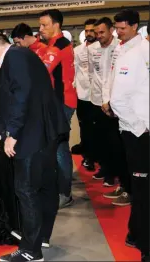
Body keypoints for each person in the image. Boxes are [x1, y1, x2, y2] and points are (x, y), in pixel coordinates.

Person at [0, 32, 69, 262]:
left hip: (32, 135)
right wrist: (0, 131)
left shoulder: (15, 58)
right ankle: (41, 237)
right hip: (43, 132)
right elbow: (17, 98)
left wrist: (12, 134)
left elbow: (22, 96)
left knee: (26, 190)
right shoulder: (22, 55)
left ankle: (31, 250)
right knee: (46, 187)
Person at [109, 9, 149, 261]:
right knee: (144, 191)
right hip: (138, 133)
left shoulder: (141, 51)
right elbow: (117, 100)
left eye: (122, 27)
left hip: (143, 130)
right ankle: (145, 245)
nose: (117, 32)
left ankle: (135, 233)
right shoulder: (130, 54)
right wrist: (138, 125)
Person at [88, 17, 130, 206]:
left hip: (119, 106)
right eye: (96, 33)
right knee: (107, 144)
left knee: (121, 148)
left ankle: (126, 185)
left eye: (102, 32)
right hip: (100, 102)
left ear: (111, 30)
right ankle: (114, 177)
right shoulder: (92, 49)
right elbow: (94, 74)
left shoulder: (120, 49)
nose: (98, 36)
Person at [39, 9, 77, 208]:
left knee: (60, 149)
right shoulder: (52, 44)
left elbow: (42, 70)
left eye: (44, 25)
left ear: (56, 25)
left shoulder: (59, 45)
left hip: (62, 103)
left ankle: (65, 193)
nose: (41, 29)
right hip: (57, 102)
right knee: (55, 148)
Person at [73, 19, 97, 172]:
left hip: (98, 97)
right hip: (82, 95)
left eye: (92, 31)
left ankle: (95, 155)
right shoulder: (77, 50)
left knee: (97, 129)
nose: (89, 33)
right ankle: (87, 152)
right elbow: (74, 71)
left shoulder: (103, 49)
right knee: (84, 126)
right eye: (86, 30)